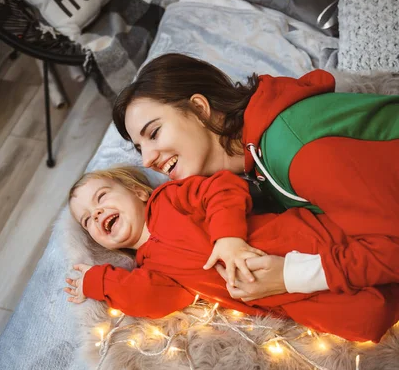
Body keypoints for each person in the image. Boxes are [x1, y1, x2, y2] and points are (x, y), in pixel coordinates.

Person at [111, 53, 399, 302]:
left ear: (199, 108)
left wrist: (289, 276)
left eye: (154, 133)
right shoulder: (253, 157)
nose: (147, 160)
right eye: (139, 149)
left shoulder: (300, 153)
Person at [64, 165, 399, 343]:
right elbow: (153, 298)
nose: (96, 215)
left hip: (298, 238)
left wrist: (227, 237)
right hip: (282, 297)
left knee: (374, 247)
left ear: (138, 191)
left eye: (102, 197)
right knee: (368, 320)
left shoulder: (170, 200)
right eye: (87, 220)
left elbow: (223, 188)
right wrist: (97, 281)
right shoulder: (148, 268)